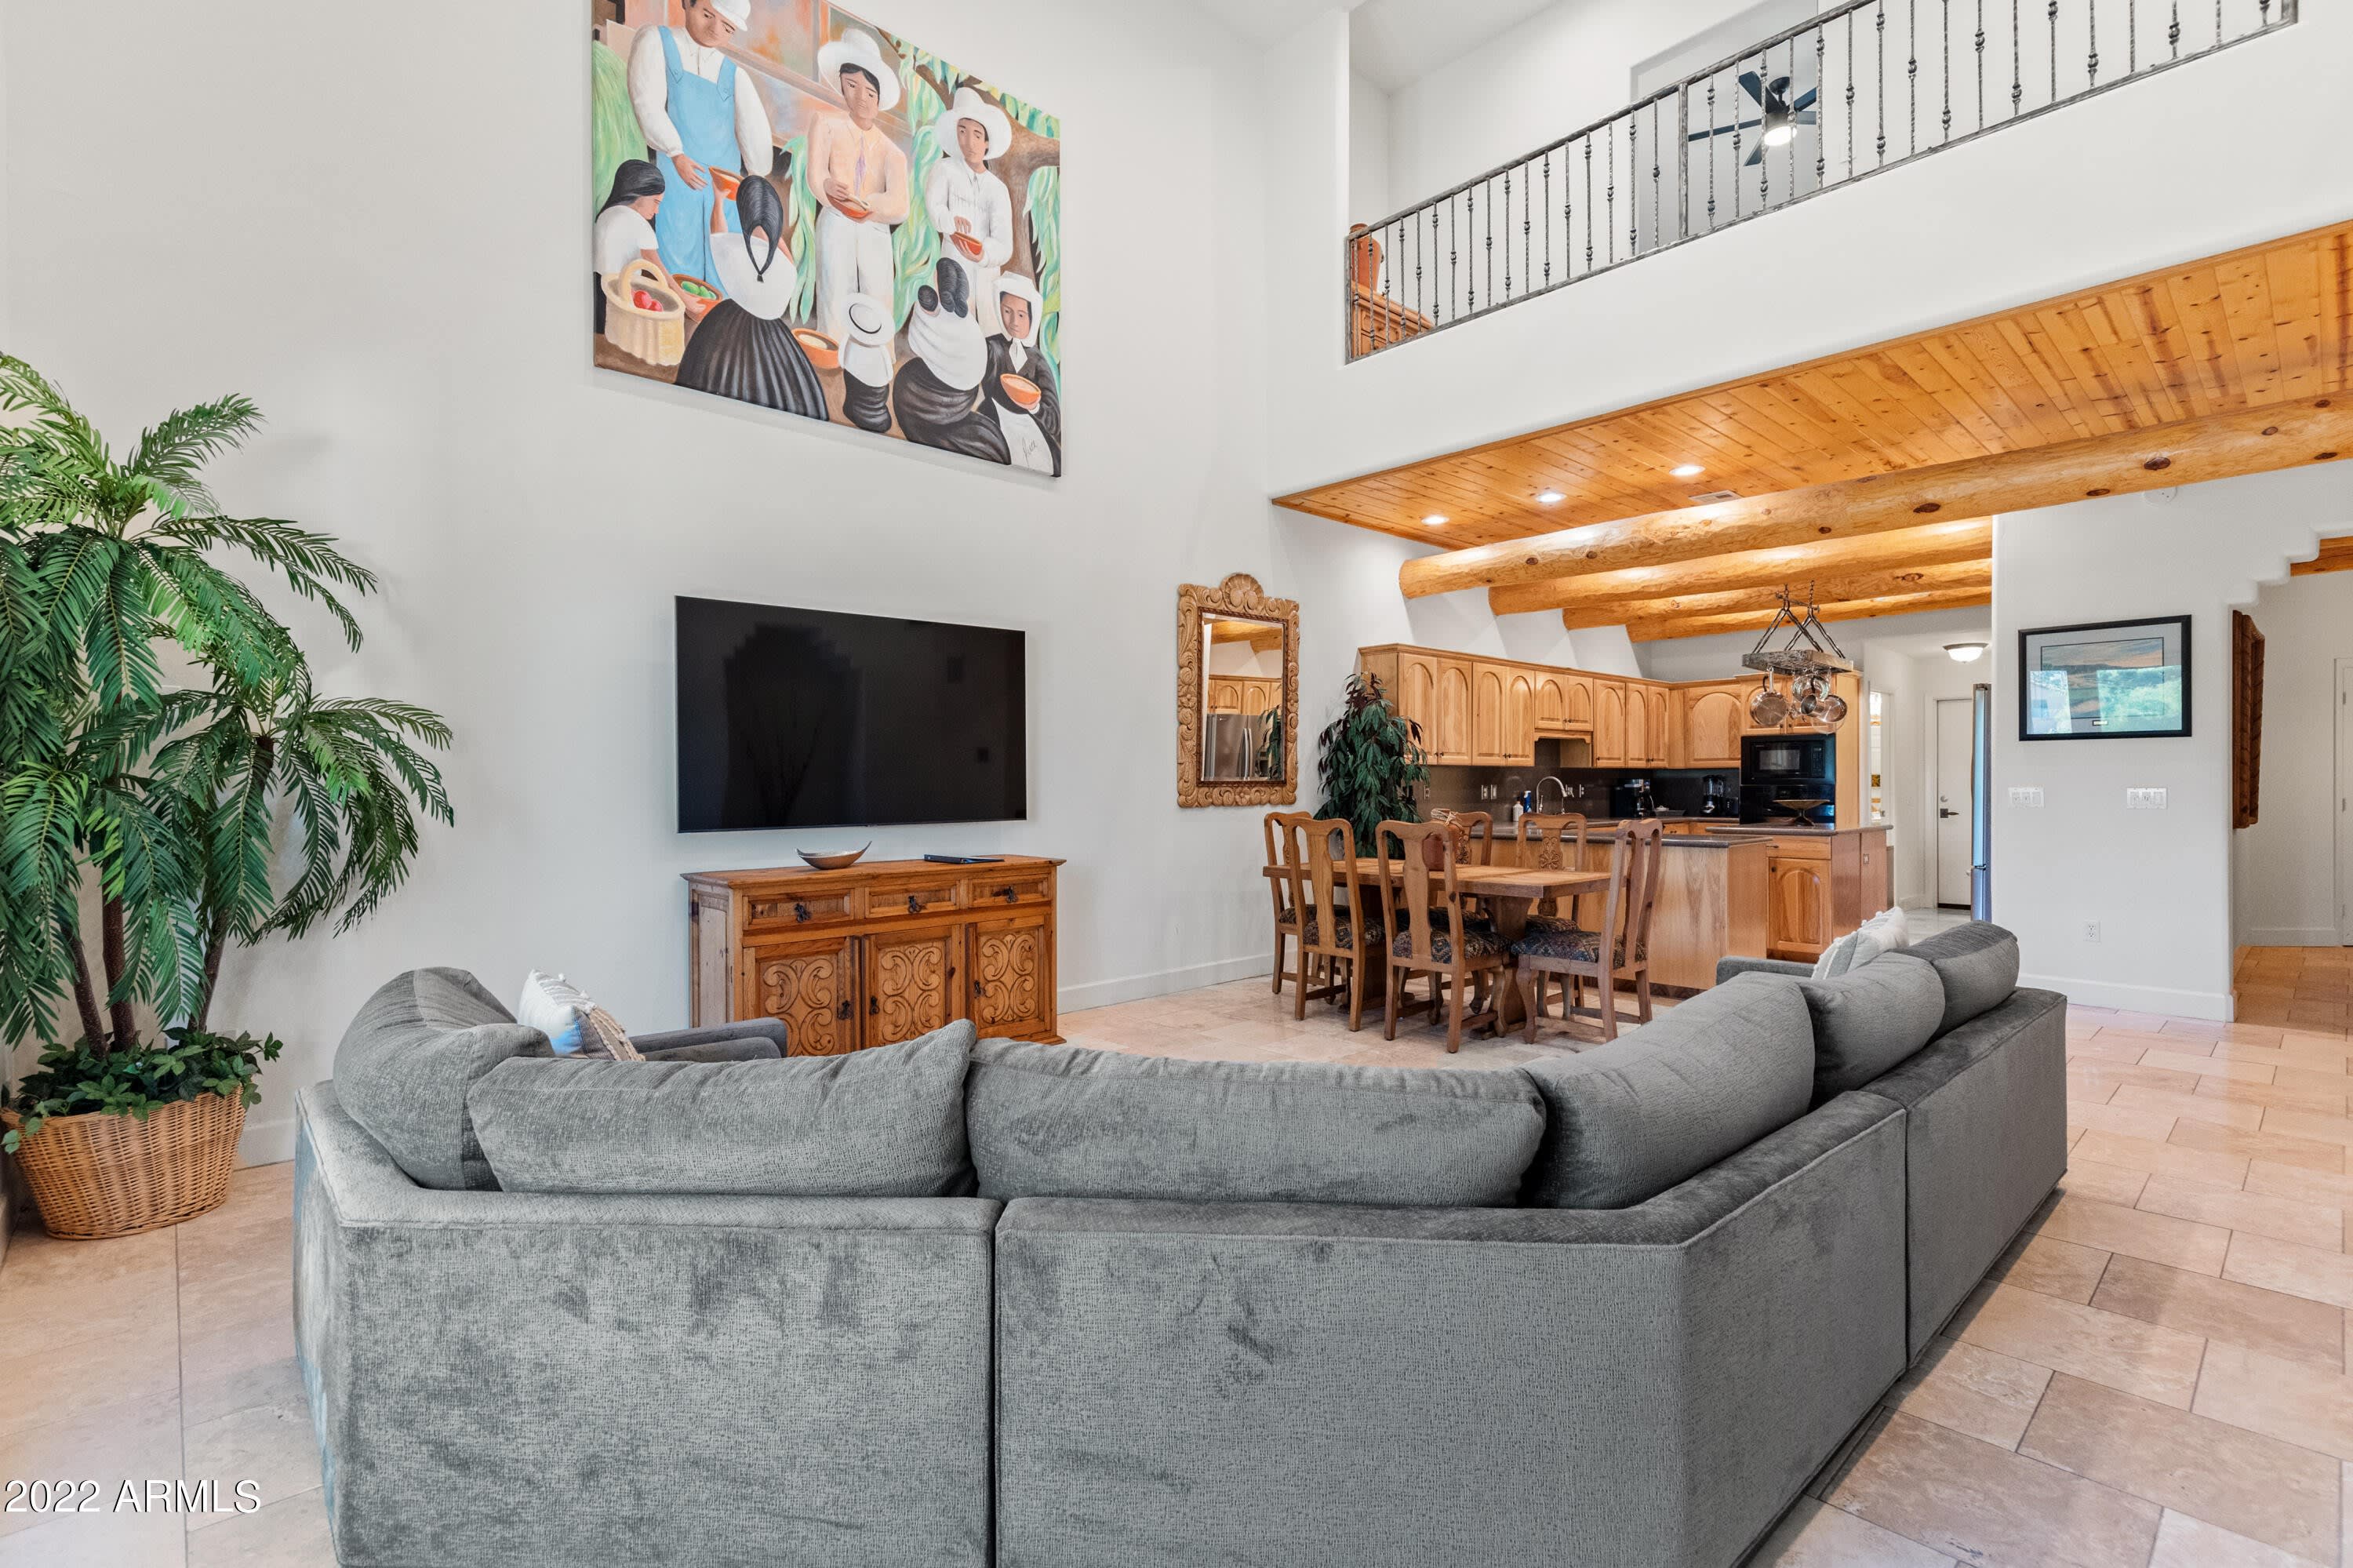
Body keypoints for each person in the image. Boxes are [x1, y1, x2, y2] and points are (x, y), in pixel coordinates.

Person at [627, 0, 775, 292]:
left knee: (724, 271)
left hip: (725, 191)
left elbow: (758, 147)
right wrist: (675, 153)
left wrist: (754, 191)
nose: (715, 29)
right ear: (687, 3)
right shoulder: (657, 42)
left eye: (727, 27)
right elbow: (647, 104)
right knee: (676, 269)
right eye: (707, 15)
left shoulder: (734, 75)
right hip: (677, 180)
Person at [674, 173, 825, 421]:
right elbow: (784, 255)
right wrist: (772, 233)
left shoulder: (733, 249)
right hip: (773, 334)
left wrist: (719, 200)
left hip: (728, 324)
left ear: (743, 214)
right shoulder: (787, 268)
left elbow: (717, 232)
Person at [807, 27, 910, 345]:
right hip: (835, 222)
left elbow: (901, 206)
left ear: (878, 98)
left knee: (876, 304)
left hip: (874, 233)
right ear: (841, 85)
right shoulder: (826, 125)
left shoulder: (893, 152)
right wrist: (826, 185)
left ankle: (876, 364)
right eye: (852, 86)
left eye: (869, 91)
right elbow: (815, 174)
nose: (861, 98)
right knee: (834, 297)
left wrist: (870, 206)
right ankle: (832, 359)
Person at [893, 257, 1008, 463]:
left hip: (943, 401)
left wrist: (926, 312)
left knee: (905, 383)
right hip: (967, 394)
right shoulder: (966, 321)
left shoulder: (934, 313)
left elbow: (916, 343)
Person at [924, 86, 1013, 337]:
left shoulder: (998, 189)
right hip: (952, 265)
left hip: (986, 275)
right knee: (952, 333)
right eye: (962, 131)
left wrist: (983, 254)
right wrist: (949, 221)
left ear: (987, 142)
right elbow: (934, 206)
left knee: (985, 336)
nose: (969, 142)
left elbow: (1004, 244)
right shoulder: (944, 169)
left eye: (977, 134)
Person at [983, 273, 1060, 475]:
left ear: (1032, 317)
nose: (1014, 322)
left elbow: (1054, 422)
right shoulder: (991, 348)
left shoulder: (1038, 362)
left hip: (1031, 435)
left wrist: (1035, 407)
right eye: (1007, 311)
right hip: (994, 423)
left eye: (1021, 315)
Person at [593, 159, 667, 337]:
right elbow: (658, 268)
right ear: (639, 193)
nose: (656, 210)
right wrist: (685, 299)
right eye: (655, 202)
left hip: (598, 291)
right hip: (621, 295)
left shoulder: (607, 214)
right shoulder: (637, 222)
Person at [838, 292, 896, 434]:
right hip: (878, 393)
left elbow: (841, 362)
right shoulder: (881, 349)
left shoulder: (849, 340)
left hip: (857, 387)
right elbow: (889, 375)